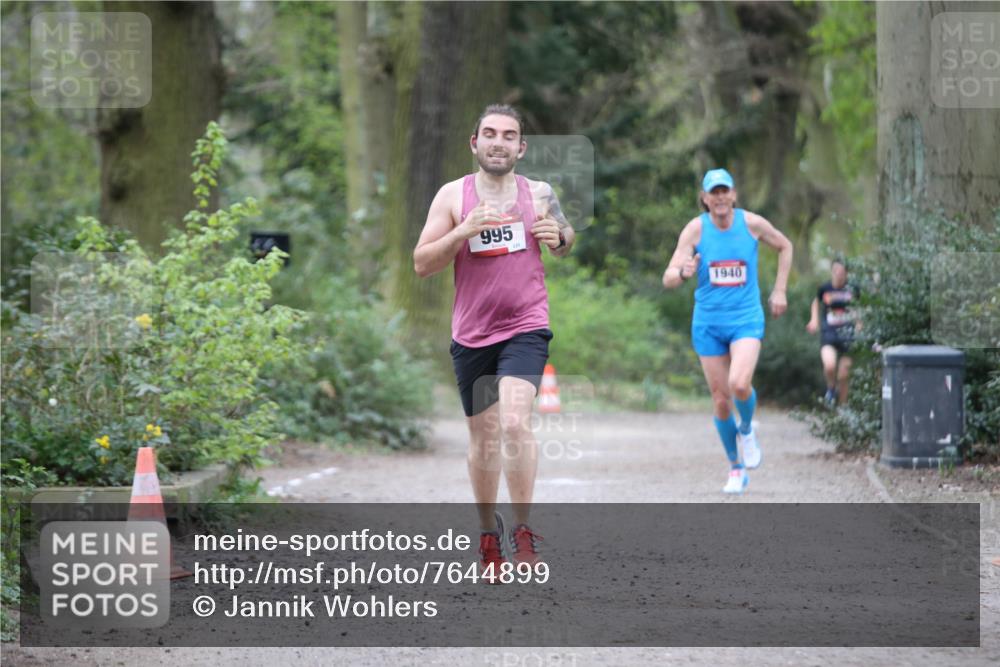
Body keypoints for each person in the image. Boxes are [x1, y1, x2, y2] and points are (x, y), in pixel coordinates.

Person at [413, 104, 575, 578]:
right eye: (490, 133)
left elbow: (565, 243)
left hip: (526, 324)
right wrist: (463, 230)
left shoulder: (540, 193)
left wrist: (559, 236)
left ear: (520, 148)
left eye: (509, 135)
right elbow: (422, 264)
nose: (499, 141)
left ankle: (524, 532)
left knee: (514, 423)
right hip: (471, 333)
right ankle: (489, 533)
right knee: (483, 439)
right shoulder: (451, 196)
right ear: (475, 143)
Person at [662, 168, 793, 494]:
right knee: (721, 401)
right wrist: (683, 270)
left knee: (739, 383)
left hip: (746, 319)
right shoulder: (695, 229)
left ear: (733, 195)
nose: (720, 198)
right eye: (713, 192)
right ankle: (736, 468)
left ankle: (746, 428)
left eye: (725, 191)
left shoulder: (751, 224)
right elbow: (668, 278)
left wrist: (780, 290)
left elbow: (785, 246)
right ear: (705, 199)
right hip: (708, 323)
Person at [806, 259, 858, 405]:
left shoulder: (853, 289)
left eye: (842, 272)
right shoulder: (825, 288)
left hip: (848, 335)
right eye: (835, 271)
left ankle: (843, 408)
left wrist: (860, 325)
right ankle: (831, 388)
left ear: (847, 274)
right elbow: (816, 302)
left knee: (843, 375)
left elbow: (860, 308)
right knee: (829, 365)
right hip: (829, 332)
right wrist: (814, 320)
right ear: (831, 272)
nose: (838, 275)